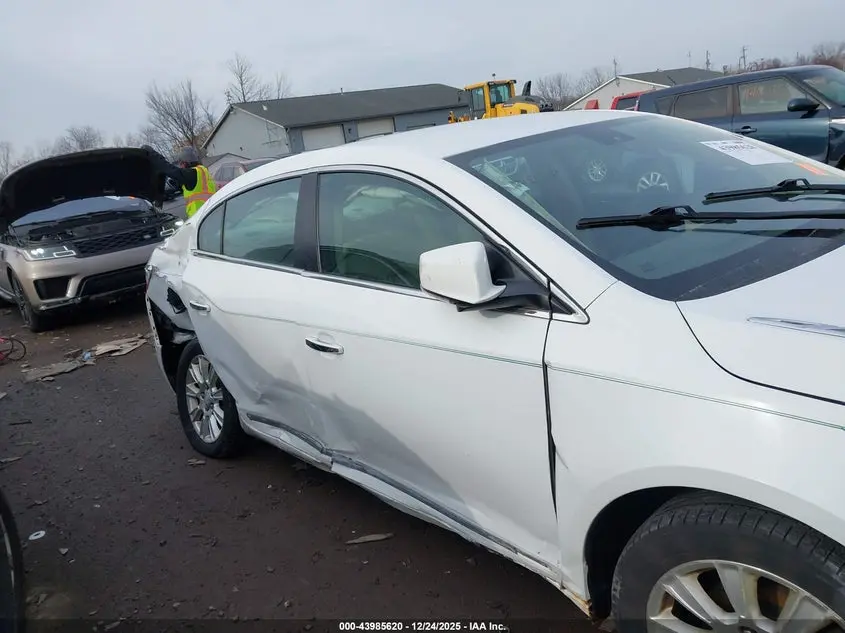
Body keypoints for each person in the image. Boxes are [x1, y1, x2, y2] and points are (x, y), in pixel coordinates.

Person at [141, 145, 217, 219]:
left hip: (200, 217)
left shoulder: (191, 174)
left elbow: (167, 168)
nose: (180, 166)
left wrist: (151, 153)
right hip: (211, 214)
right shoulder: (202, 171)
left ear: (185, 162)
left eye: (181, 163)